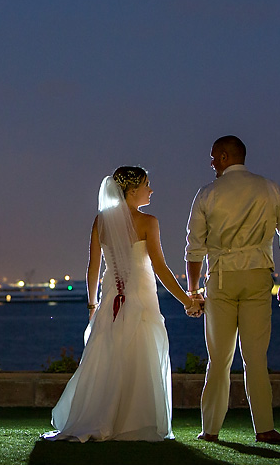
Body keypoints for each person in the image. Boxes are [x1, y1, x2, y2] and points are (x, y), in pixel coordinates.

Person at [41, 166, 203, 442]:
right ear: (131, 191)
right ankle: (136, 422)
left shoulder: (101, 221)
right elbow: (161, 268)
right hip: (140, 296)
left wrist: (92, 305)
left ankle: (105, 417)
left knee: (109, 354)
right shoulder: (148, 222)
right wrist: (187, 300)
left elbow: (93, 268)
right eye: (146, 185)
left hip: (108, 300)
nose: (151, 190)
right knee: (141, 352)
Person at [185, 135, 280, 445]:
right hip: (258, 277)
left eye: (213, 157)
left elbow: (194, 248)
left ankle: (210, 429)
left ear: (224, 157)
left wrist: (194, 290)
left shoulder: (207, 194)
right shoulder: (269, 188)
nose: (211, 163)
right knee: (255, 357)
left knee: (219, 358)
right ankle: (264, 428)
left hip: (221, 278)